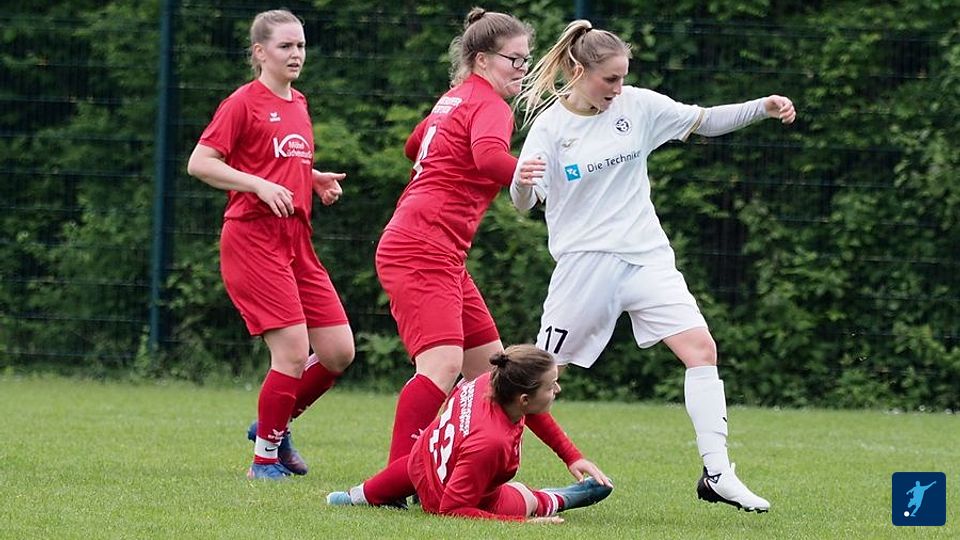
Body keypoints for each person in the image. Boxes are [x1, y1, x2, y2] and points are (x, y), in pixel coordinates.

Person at [511, 20, 798, 513]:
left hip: (646, 257)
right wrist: (520, 181)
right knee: (536, 373)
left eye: (623, 77)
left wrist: (762, 108)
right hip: (585, 264)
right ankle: (474, 452)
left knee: (701, 350)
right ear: (579, 72)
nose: (618, 88)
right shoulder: (551, 127)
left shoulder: (638, 106)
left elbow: (704, 120)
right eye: (610, 79)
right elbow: (524, 202)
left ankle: (717, 473)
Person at [375, 7, 592, 478]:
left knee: (499, 373)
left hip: (437, 249)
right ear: (481, 59)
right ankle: (392, 481)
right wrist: (532, 176)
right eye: (514, 59)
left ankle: (571, 458)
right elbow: (488, 157)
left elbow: (415, 146)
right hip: (421, 245)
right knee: (441, 364)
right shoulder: (490, 105)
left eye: (526, 59)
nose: (523, 68)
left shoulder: (455, 98)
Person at [186, 9, 355, 480]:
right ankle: (263, 462)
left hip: (296, 241)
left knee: (338, 352)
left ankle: (272, 425)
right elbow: (200, 163)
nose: (296, 54)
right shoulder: (242, 102)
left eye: (301, 45)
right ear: (260, 52)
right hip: (253, 238)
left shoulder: (299, 102)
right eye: (285, 46)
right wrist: (258, 185)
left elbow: (278, 162)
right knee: (293, 353)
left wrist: (312, 178)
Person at [327, 345, 613, 522]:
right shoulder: (491, 442)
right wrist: (524, 524)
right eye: (551, 386)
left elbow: (533, 412)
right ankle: (559, 498)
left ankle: (353, 496)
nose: (557, 389)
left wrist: (572, 456)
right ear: (524, 399)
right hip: (445, 495)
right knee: (525, 498)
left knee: (357, 494)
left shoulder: (490, 381)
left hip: (418, 464)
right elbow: (452, 508)